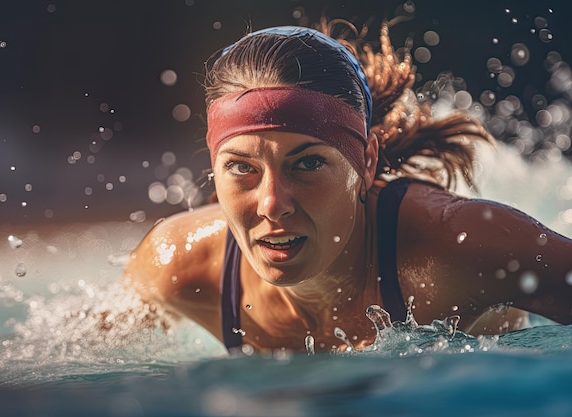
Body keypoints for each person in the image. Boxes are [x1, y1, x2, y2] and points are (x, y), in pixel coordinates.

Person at [121, 20, 572, 353]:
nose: (272, 203)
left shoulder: (454, 246)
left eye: (309, 163)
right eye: (242, 168)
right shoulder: (176, 266)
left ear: (368, 162)